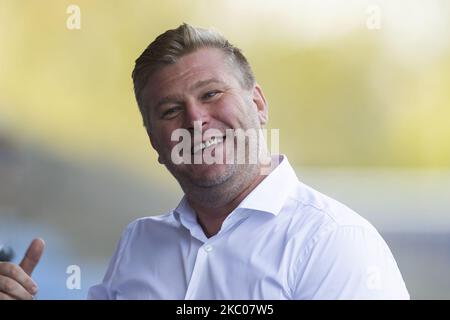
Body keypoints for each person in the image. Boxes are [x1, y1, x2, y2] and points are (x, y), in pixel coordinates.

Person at [0, 23, 409, 300]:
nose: (195, 121)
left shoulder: (335, 244)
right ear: (155, 143)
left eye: (211, 94)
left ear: (258, 103)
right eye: (170, 110)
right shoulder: (139, 245)